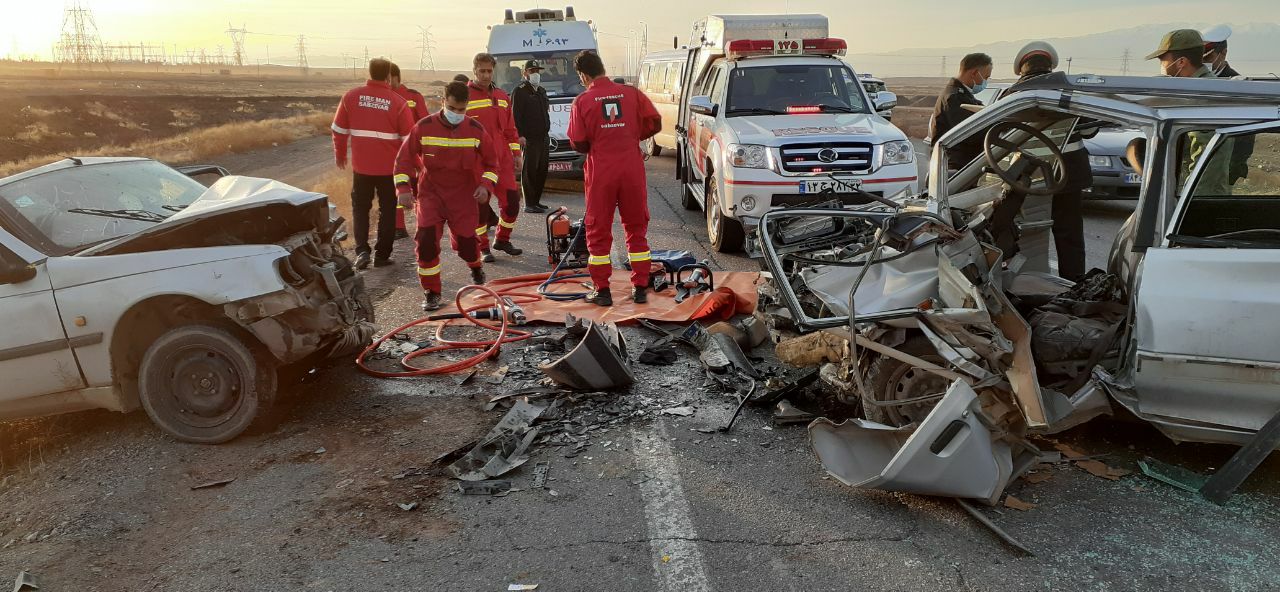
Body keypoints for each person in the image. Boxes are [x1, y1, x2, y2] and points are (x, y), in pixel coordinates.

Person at [566, 50, 662, 306]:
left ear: (583, 75)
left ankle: (602, 290)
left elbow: (577, 141)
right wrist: (630, 137)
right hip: (631, 169)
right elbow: (655, 123)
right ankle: (640, 286)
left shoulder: (582, 101)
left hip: (601, 172)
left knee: (598, 231)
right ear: (602, 67)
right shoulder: (631, 93)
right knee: (636, 229)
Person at [394, 81, 499, 311]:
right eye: (452, 108)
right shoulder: (423, 127)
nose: (457, 114)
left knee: (467, 245)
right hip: (431, 195)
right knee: (426, 242)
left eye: (462, 110)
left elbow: (492, 163)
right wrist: (403, 189)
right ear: (442, 102)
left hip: (463, 197)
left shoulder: (475, 130)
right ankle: (432, 292)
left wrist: (486, 186)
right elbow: (402, 161)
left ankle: (475, 265)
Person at [989, 42, 1090, 281]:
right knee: (1070, 236)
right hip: (1070, 175)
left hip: (1030, 176)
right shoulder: (1070, 92)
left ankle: (1029, 285)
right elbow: (1088, 131)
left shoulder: (1012, 94)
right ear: (1050, 66)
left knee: (1030, 235)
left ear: (1022, 69)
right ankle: (1074, 286)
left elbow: (997, 135)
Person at [331, 58, 415, 270]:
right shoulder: (398, 103)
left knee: (360, 209)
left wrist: (340, 154)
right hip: (389, 169)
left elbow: (338, 130)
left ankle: (361, 251)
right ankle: (382, 255)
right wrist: (415, 168)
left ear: (368, 73)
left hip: (362, 168)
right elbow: (409, 140)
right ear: (388, 76)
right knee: (388, 211)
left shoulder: (351, 97)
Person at [1147, 29, 1231, 193]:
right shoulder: (1193, 89)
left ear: (1181, 62)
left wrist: (1191, 197)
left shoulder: (1203, 94)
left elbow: (1207, 155)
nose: (1162, 66)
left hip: (1198, 197)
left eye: (1163, 60)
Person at [466, 53, 524, 260]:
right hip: (477, 163)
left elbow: (510, 129)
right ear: (474, 71)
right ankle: (483, 248)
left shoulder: (501, 96)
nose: (485, 75)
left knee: (512, 203)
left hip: (503, 162)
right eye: (481, 71)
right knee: (480, 208)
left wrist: (516, 153)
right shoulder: (464, 96)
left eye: (489, 71)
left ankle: (502, 239)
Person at [929, 53, 993, 170]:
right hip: (955, 167)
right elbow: (970, 133)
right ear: (974, 73)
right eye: (986, 77)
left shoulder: (963, 96)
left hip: (961, 165)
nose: (986, 82)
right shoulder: (954, 98)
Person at [389, 63, 430, 240]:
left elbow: (425, 122)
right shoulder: (384, 98)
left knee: (419, 188)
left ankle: (425, 223)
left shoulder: (413, 96)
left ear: (398, 78)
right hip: (392, 152)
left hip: (414, 151)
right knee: (397, 188)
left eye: (389, 78)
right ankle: (399, 227)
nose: (387, 82)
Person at [512, 59, 552, 214]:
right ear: (525, 73)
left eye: (537, 71)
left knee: (541, 170)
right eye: (532, 71)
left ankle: (537, 201)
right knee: (529, 170)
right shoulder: (520, 91)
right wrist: (520, 135)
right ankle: (529, 203)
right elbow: (515, 115)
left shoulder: (541, 90)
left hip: (543, 136)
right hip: (529, 137)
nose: (535, 74)